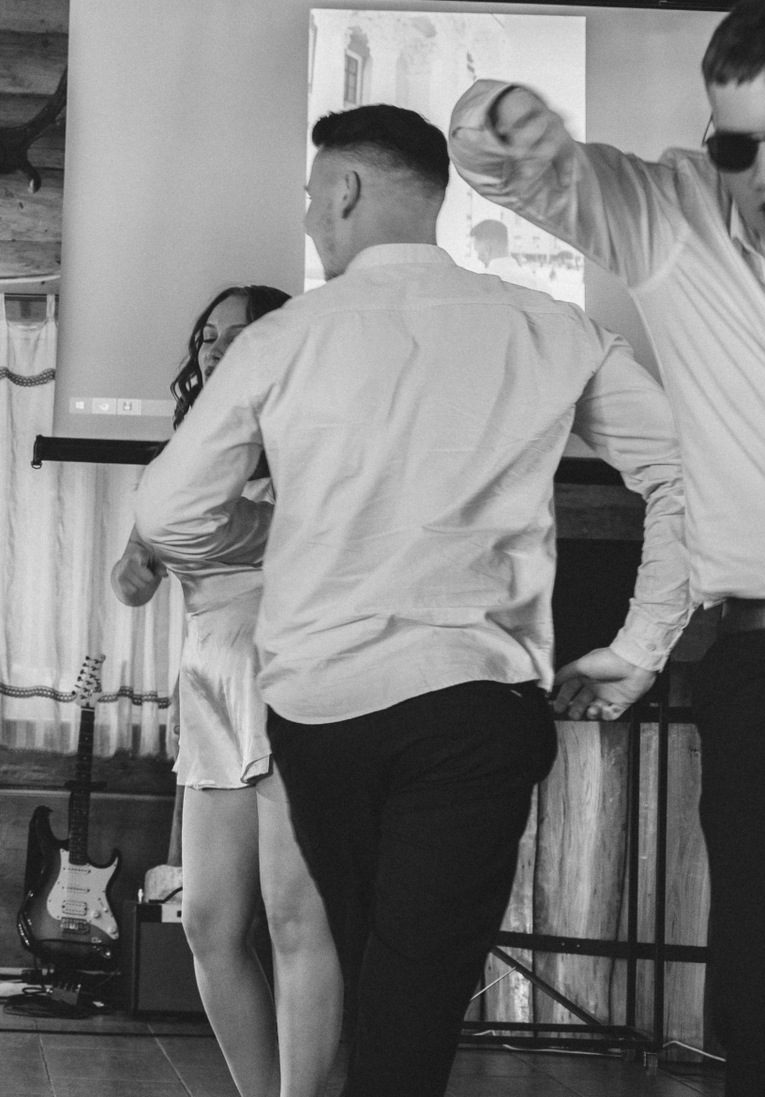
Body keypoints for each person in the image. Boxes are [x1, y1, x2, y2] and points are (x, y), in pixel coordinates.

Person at [134, 105, 693, 1097]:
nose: (310, 216)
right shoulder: (549, 325)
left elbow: (169, 510)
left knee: (359, 968)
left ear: (346, 190)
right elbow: (687, 471)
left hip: (322, 714)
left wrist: (265, 548)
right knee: (414, 992)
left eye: (313, 194)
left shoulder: (284, 339)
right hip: (477, 707)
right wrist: (640, 646)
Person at [453, 13, 765, 1091]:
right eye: (740, 144)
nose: (759, 173)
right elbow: (519, 176)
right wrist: (503, 125)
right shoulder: (678, 215)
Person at [113, 286, 343, 1097]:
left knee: (294, 918)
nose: (214, 348)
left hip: (290, 675)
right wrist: (134, 569)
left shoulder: (313, 439)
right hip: (210, 681)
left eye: (236, 335)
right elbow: (134, 575)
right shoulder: (183, 458)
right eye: (207, 335)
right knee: (208, 923)